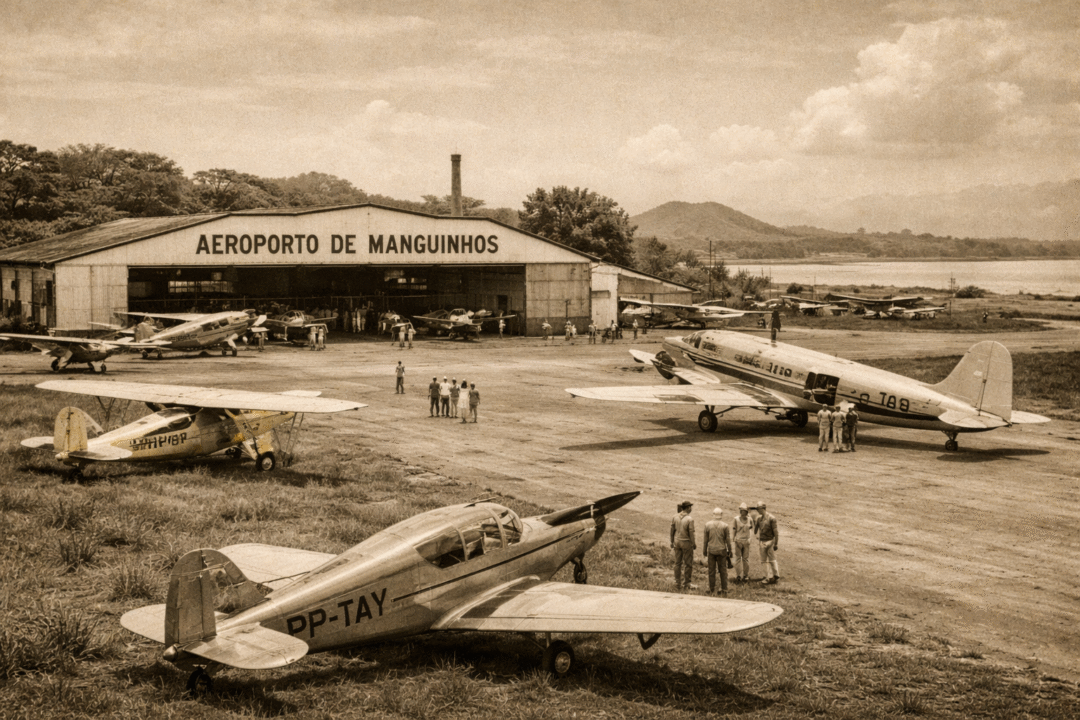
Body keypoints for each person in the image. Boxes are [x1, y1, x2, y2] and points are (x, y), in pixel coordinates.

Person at [703, 508, 733, 596]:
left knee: (711, 570)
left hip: (711, 550)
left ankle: (711, 588)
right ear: (721, 515)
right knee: (723, 570)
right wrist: (730, 551)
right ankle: (724, 588)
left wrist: (704, 550)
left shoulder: (707, 525)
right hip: (721, 550)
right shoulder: (725, 526)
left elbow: (705, 540)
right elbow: (728, 540)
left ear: (713, 514)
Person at [669, 501, 696, 591]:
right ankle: (687, 583)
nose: (691, 509)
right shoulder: (689, 519)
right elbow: (691, 533)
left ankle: (677, 582)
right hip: (686, 542)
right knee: (688, 564)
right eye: (690, 507)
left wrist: (672, 541)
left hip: (677, 541)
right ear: (688, 508)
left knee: (677, 563)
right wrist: (693, 543)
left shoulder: (675, 516)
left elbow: (672, 530)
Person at [754, 502, 779, 584]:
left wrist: (776, 543)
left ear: (763, 508)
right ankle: (773, 576)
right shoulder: (759, 518)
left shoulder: (771, 518)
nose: (758, 510)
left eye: (759, 508)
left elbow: (776, 532)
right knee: (768, 560)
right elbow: (755, 530)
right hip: (764, 541)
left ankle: (770, 577)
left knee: (767, 560)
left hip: (769, 541)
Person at [732, 503, 755, 583]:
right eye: (743, 511)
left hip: (746, 541)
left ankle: (745, 575)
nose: (744, 512)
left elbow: (751, 529)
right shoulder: (736, 519)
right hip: (738, 541)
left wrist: (750, 539)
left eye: (745, 511)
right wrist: (734, 539)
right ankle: (738, 575)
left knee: (745, 559)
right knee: (738, 558)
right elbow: (734, 529)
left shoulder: (750, 519)